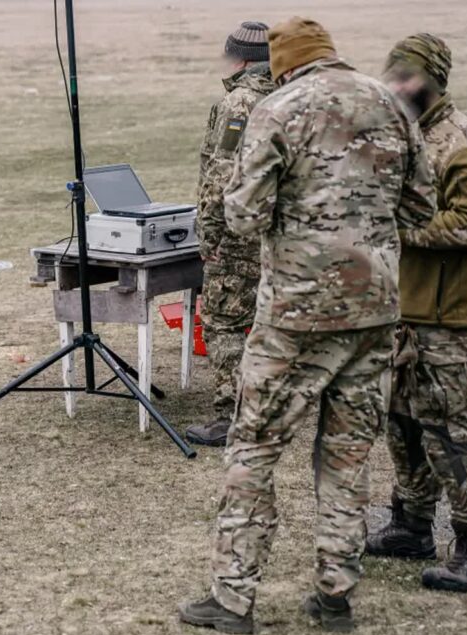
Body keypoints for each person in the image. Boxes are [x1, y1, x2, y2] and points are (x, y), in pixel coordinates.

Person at [179, 17, 436, 634]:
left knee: (255, 449)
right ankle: (335, 594)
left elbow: (242, 214)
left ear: (283, 62)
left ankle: (234, 598)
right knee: (348, 455)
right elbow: (423, 204)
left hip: (295, 315)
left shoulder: (278, 106)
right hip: (374, 312)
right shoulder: (390, 103)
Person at [366, 34, 467, 593]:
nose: (395, 84)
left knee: (448, 431)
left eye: (406, 75)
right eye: (391, 73)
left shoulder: (464, 142)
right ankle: (411, 525)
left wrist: (399, 233)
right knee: (401, 422)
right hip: (403, 311)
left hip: (446, 318)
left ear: (432, 79)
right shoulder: (405, 137)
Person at [186, 21, 275, 448]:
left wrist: (209, 232)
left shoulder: (239, 101)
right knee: (268, 320)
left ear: (239, 58)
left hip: (239, 233)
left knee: (221, 321)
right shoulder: (290, 97)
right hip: (280, 234)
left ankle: (231, 416)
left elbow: (221, 173)